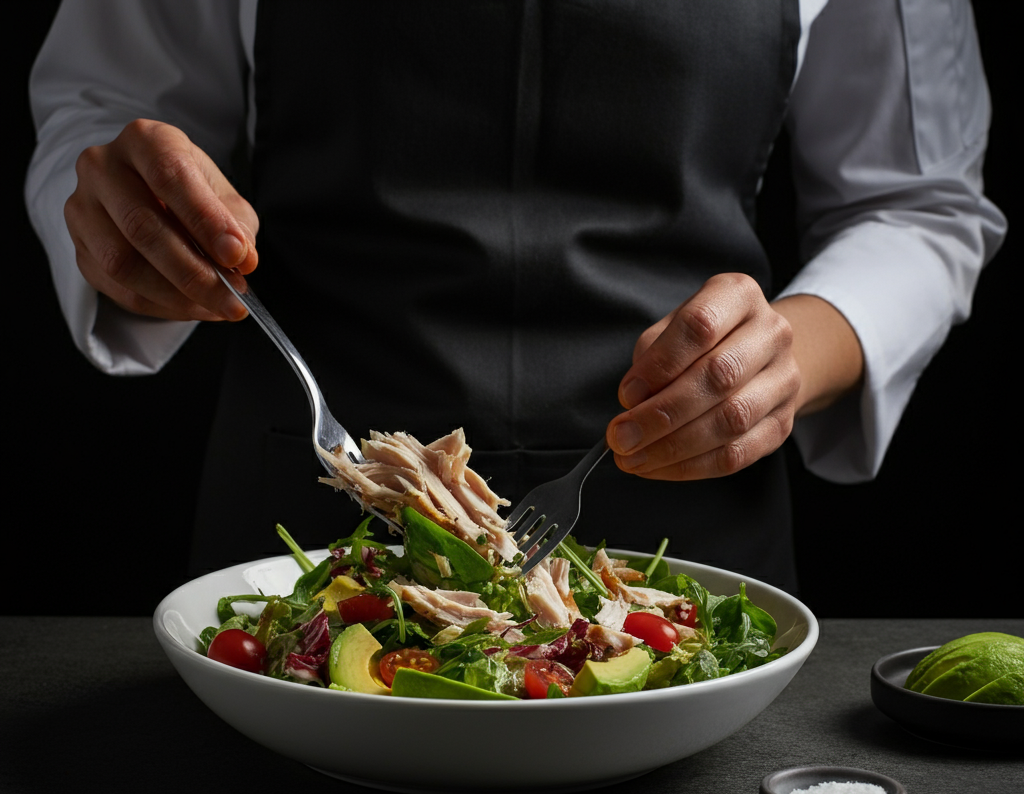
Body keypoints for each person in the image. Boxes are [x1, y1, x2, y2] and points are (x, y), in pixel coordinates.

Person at [26, 0, 1005, 591]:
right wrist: (121, 211)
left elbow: (917, 204)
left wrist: (787, 355)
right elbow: (104, 110)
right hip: (300, 540)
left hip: (690, 546)